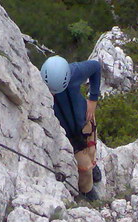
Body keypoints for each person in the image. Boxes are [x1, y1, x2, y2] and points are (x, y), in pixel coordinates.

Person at [40, 55, 102, 201]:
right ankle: (87, 189)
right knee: (83, 166)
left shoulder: (74, 72)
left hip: (84, 120)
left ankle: (93, 166)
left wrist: (93, 99)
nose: (53, 94)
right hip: (67, 134)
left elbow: (96, 67)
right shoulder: (40, 85)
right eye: (51, 91)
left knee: (91, 147)